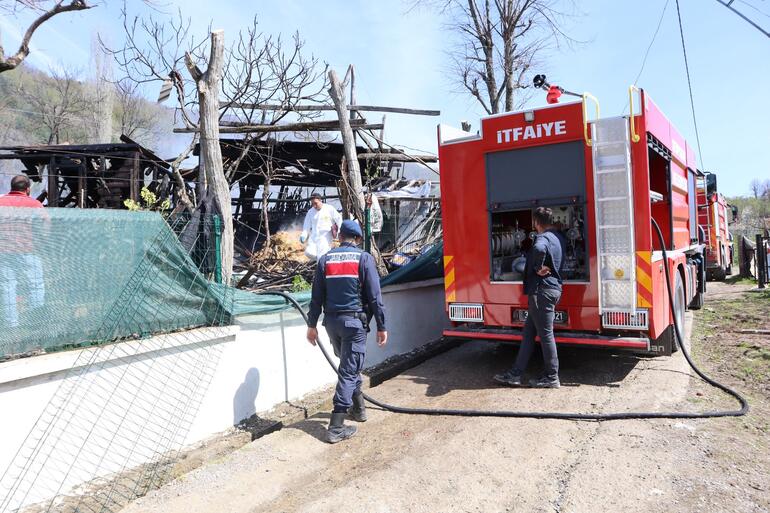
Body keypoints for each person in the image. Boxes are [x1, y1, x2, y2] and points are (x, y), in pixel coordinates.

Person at [306, 219, 387, 444]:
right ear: (358, 239)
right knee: (349, 371)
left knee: (348, 366)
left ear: (340, 237)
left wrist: (311, 325)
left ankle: (359, 409)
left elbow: (316, 298)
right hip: (354, 324)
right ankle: (336, 426)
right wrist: (382, 326)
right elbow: (374, 297)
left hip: (332, 324)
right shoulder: (364, 258)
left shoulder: (325, 260)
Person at [494, 207, 566, 388]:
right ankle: (515, 374)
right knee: (528, 334)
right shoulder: (558, 238)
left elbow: (540, 248)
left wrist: (537, 267)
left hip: (541, 291)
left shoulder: (542, 239)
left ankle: (552, 377)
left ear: (535, 222)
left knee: (546, 335)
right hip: (552, 289)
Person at [0, 175, 46, 329]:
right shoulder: (35, 204)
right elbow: (46, 226)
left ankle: (11, 325)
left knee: (7, 286)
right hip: (27, 250)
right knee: (36, 285)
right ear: (27, 189)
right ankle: (36, 323)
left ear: (11, 188)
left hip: (4, 251)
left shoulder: (1, 201)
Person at [300, 193, 343, 260]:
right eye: (312, 204)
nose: (314, 206)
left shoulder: (329, 208)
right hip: (314, 236)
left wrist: (340, 231)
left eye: (315, 203)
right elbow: (306, 225)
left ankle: (321, 266)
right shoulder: (310, 212)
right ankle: (323, 262)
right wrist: (304, 235)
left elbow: (338, 219)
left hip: (326, 237)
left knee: (321, 256)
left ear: (320, 200)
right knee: (308, 252)